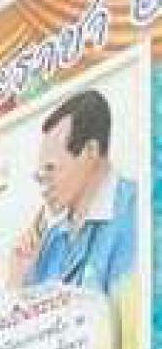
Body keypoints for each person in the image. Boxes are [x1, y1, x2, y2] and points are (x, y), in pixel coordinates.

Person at [9, 88, 137, 294]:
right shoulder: (50, 242)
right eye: (41, 172)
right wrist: (19, 282)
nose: (43, 182)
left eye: (50, 168)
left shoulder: (138, 211)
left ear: (91, 151)